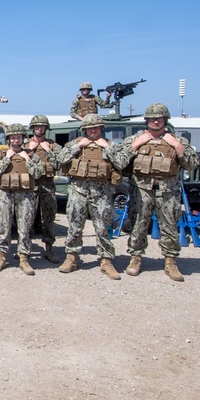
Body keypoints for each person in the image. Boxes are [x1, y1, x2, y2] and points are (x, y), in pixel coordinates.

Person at [115, 103, 198, 282]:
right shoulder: (134, 139)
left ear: (165, 120)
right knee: (138, 224)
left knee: (169, 226)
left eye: (159, 118)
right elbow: (119, 163)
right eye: (152, 118)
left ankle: (170, 262)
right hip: (141, 190)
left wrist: (177, 146)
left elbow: (191, 164)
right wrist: (135, 146)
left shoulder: (178, 140)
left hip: (168, 191)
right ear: (147, 120)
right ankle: (135, 258)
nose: (155, 121)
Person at [56, 114, 129, 279]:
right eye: (89, 128)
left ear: (102, 129)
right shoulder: (76, 145)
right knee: (75, 225)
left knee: (102, 227)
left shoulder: (111, 146)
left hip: (102, 192)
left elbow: (123, 163)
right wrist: (79, 146)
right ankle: (71, 257)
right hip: (78, 191)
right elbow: (60, 158)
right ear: (85, 129)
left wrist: (106, 147)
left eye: (96, 127)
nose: (93, 130)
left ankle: (106, 260)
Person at [0, 124, 44, 275]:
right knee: (3, 227)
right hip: (5, 194)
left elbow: (38, 174)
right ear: (8, 139)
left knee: (24, 227)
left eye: (18, 137)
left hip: (25, 195)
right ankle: (1, 257)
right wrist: (7, 158)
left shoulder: (31, 155)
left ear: (23, 138)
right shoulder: (1, 154)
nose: (15, 140)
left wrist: (27, 159)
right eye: (12, 137)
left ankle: (23, 258)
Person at [26, 115, 61, 263]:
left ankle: (49, 249)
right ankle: (25, 250)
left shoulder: (54, 146)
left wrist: (48, 152)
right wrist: (29, 150)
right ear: (32, 128)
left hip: (47, 185)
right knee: (26, 219)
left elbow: (58, 165)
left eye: (42, 126)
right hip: (29, 186)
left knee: (48, 218)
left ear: (46, 128)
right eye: (36, 126)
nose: (39, 129)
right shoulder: (25, 145)